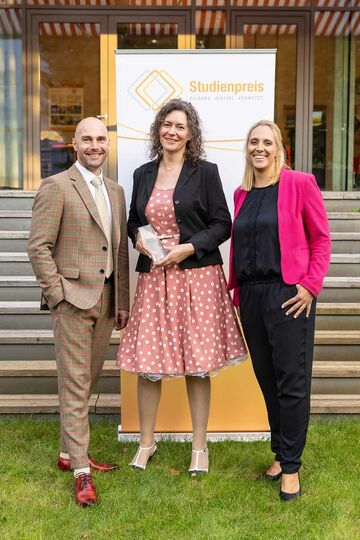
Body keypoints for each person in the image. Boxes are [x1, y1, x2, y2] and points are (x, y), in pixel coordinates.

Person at [117, 99, 247, 475]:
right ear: (159, 129)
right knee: (147, 366)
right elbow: (132, 223)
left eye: (180, 127)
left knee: (198, 365)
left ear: (191, 135)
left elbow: (223, 224)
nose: (172, 132)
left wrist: (189, 247)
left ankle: (200, 447)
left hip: (197, 279)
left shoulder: (205, 172)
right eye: (167, 125)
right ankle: (146, 443)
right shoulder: (142, 173)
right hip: (156, 279)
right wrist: (138, 241)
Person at [28, 117, 129, 507]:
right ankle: (82, 473)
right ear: (74, 143)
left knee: (85, 382)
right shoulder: (56, 187)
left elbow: (118, 251)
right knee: (74, 385)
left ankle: (68, 454)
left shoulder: (116, 192)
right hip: (72, 300)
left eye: (101, 139)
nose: (94, 145)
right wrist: (58, 295)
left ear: (108, 144)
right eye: (86, 139)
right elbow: (38, 247)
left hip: (104, 302)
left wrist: (121, 303)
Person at [228, 120, 331, 501]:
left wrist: (310, 285)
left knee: (291, 381)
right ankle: (279, 452)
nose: (259, 148)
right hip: (253, 297)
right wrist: (237, 291)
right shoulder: (242, 193)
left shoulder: (300, 184)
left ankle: (291, 468)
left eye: (266, 142)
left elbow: (321, 239)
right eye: (253, 141)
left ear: (278, 148)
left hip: (290, 294)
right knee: (267, 380)